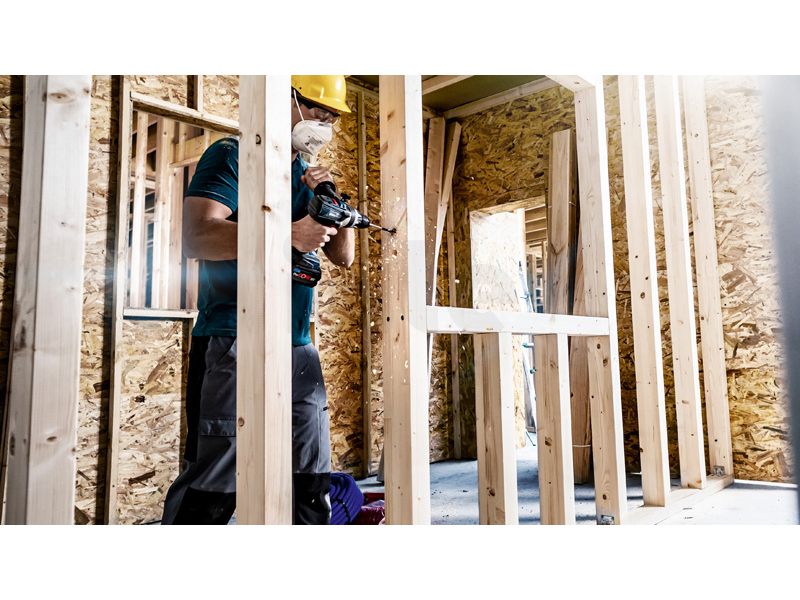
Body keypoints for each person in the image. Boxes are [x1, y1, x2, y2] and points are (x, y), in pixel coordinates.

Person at [161, 75, 354, 525]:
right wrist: (287, 235)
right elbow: (196, 236)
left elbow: (343, 256)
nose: (324, 123)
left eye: (332, 117)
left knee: (310, 479)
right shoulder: (233, 155)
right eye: (318, 109)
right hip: (232, 337)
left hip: (297, 343)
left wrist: (331, 198)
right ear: (285, 98)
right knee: (216, 481)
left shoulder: (307, 176)